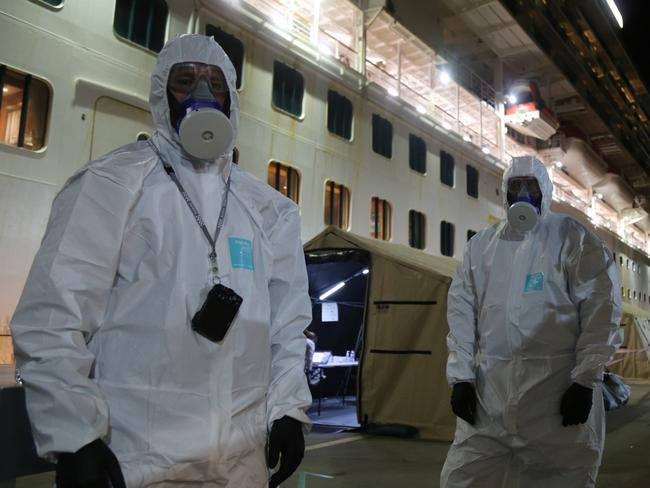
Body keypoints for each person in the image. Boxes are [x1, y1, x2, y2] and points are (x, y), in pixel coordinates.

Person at [11, 34, 311, 488]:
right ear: (160, 94)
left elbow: (289, 327)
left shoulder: (269, 210)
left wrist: (288, 408)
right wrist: (74, 434)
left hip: (242, 462)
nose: (202, 95)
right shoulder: (111, 186)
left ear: (230, 97)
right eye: (185, 81)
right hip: (140, 459)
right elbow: (53, 315)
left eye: (214, 83)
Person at [441, 156, 622, 487]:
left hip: (555, 397)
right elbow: (461, 312)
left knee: (563, 478)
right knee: (462, 478)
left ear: (546, 191)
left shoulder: (573, 239)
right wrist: (462, 377)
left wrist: (585, 381)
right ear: (505, 192)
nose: (523, 194)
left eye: (531, 186)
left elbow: (602, 309)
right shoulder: (481, 247)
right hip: (490, 398)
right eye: (516, 186)